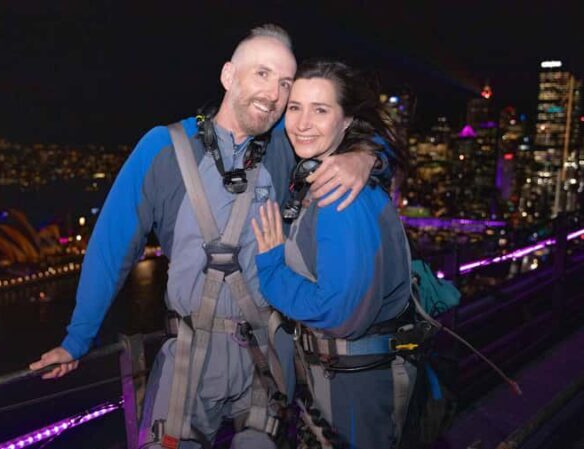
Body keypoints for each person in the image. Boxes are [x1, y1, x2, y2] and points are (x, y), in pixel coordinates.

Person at [30, 27, 387, 449]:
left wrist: (363, 158)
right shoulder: (163, 149)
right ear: (228, 76)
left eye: (285, 83)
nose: (274, 94)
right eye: (262, 74)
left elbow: (360, 133)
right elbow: (112, 246)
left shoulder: (285, 145)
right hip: (189, 357)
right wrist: (77, 340)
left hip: (266, 354)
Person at [252, 59, 413, 449]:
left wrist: (272, 271)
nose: (303, 122)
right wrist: (371, 154)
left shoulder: (340, 197)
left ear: (346, 122)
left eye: (320, 110)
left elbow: (339, 314)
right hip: (341, 376)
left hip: (351, 383)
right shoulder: (323, 172)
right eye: (295, 107)